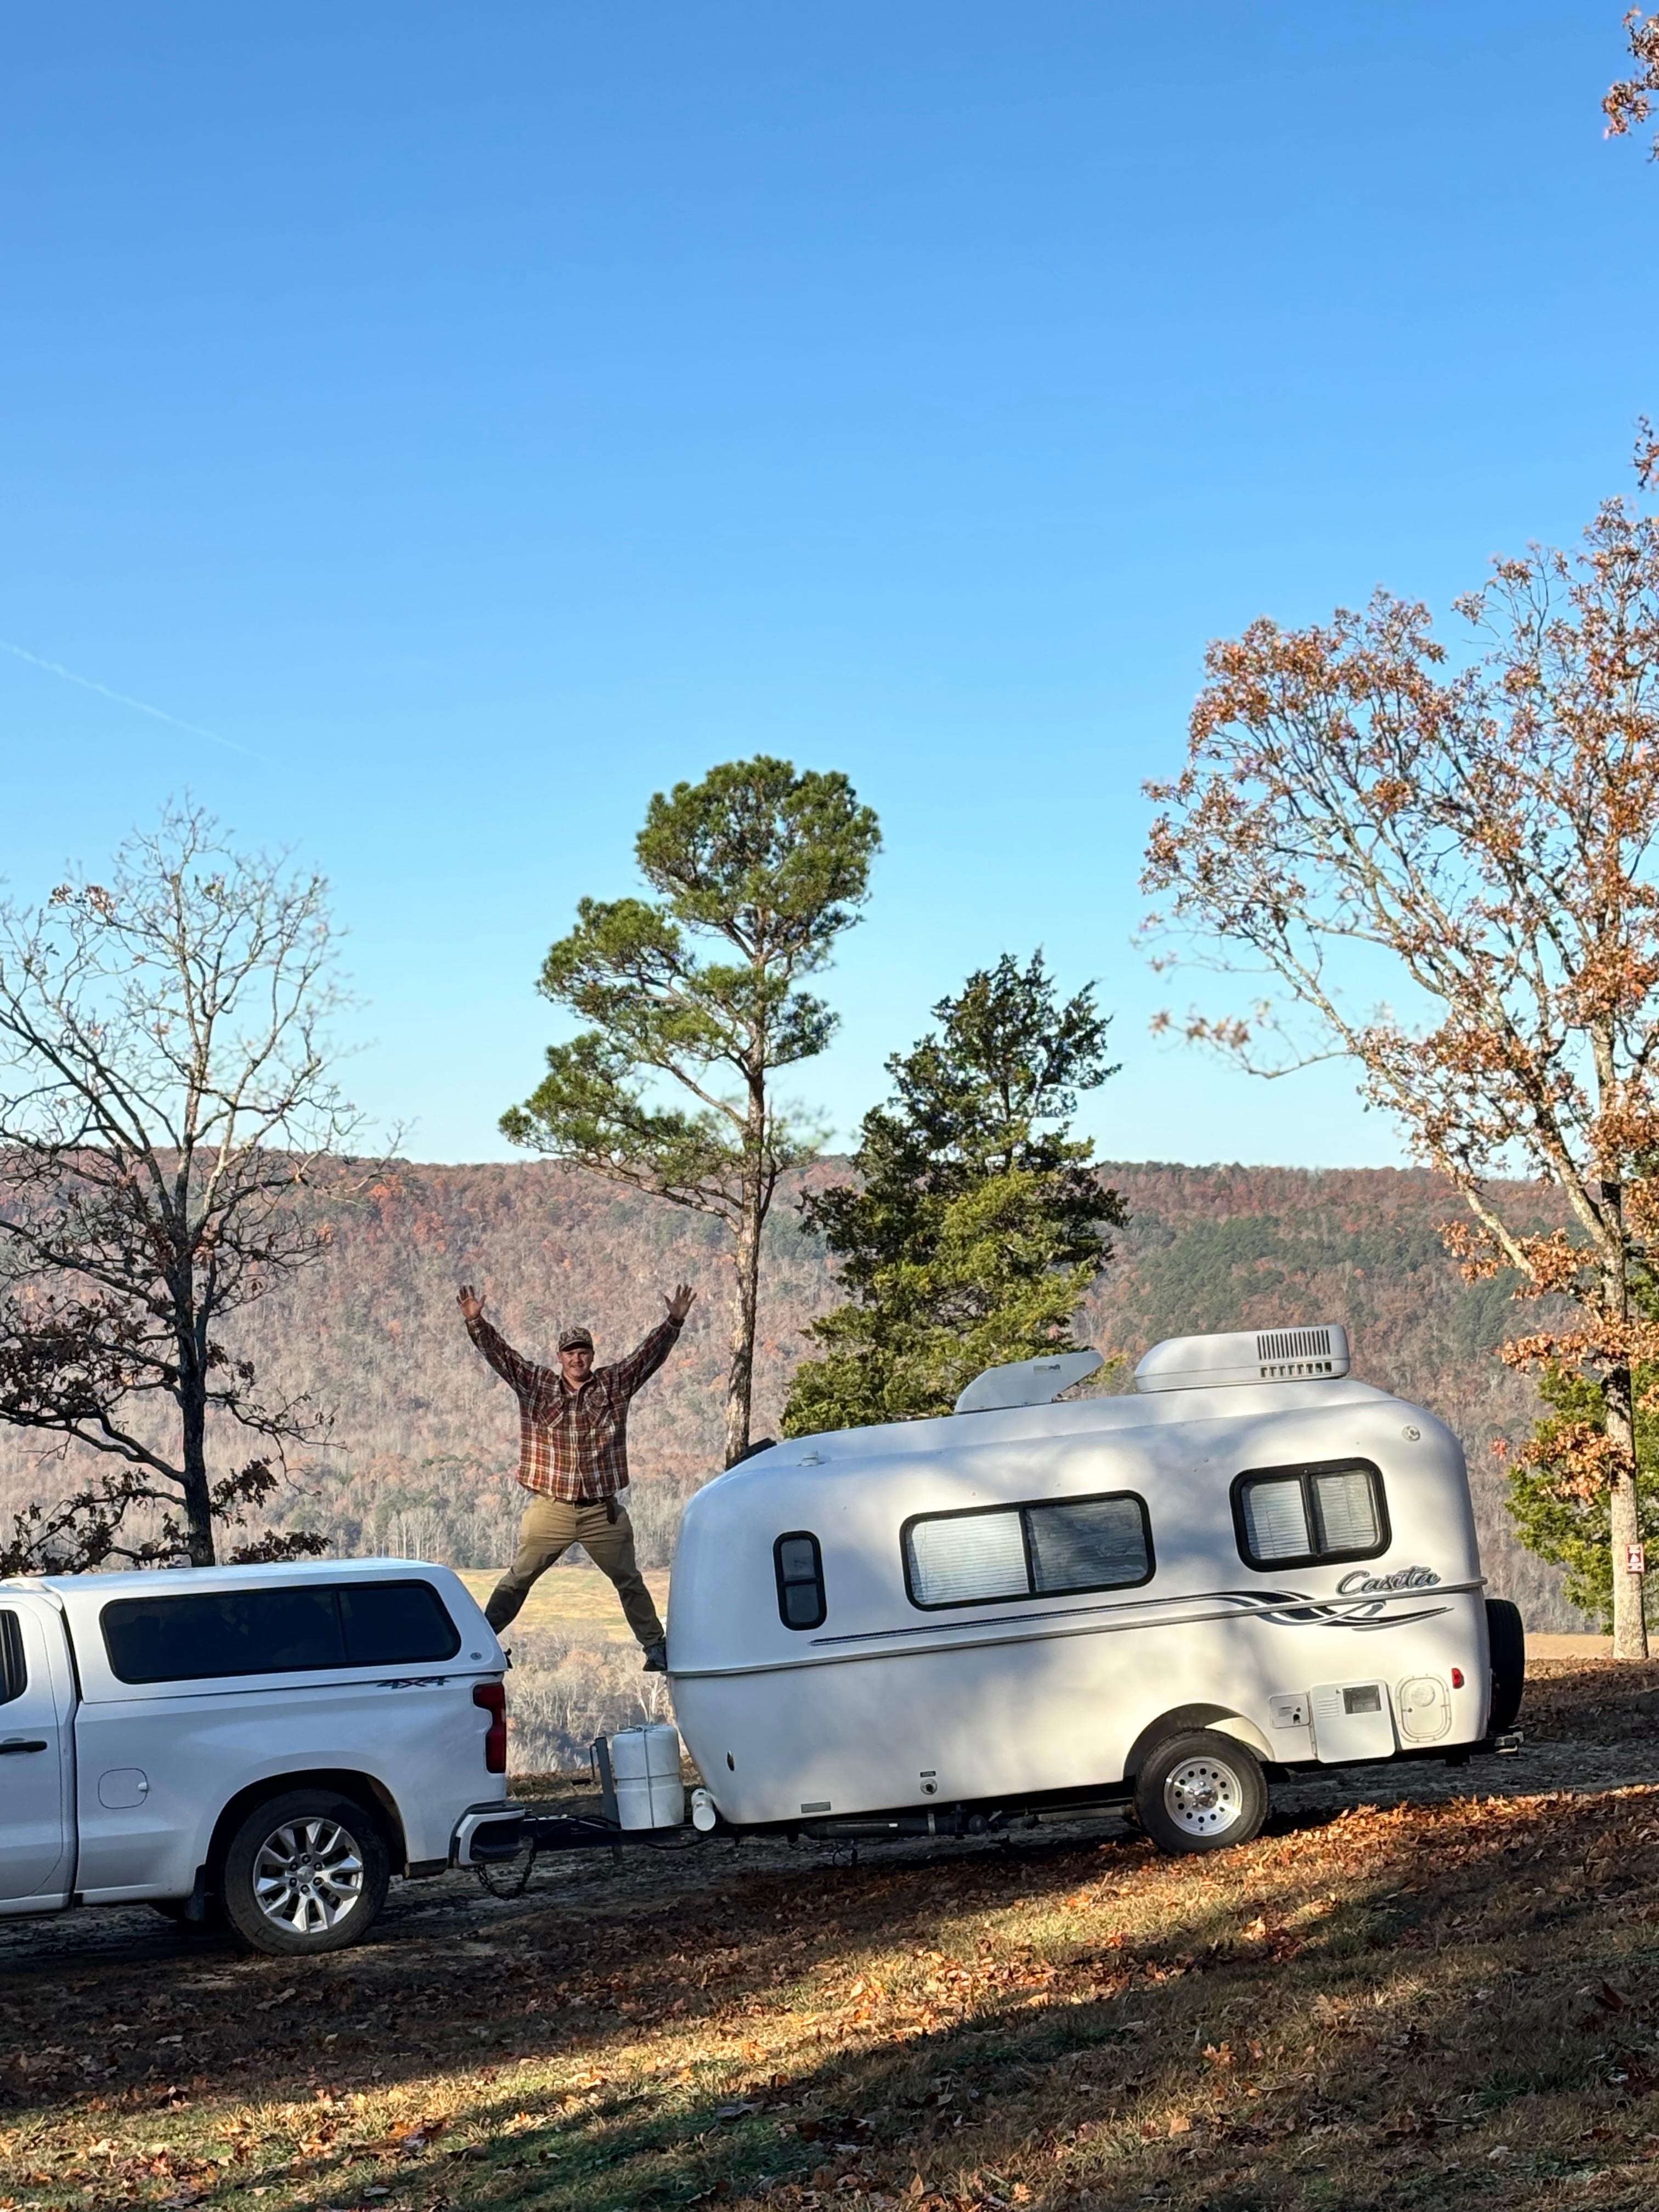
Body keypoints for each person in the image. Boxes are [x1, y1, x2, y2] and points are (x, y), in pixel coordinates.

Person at [456, 1280, 697, 1670]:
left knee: (629, 1581)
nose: (577, 1359)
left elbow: (647, 1358)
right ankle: (478, 1642)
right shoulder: (537, 1385)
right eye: (570, 1352)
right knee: (519, 1578)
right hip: (552, 1507)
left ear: (591, 1355)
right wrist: (476, 1323)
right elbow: (502, 1357)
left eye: (583, 1352)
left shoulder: (614, 1385)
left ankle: (655, 1647)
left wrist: (673, 1322)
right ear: (560, 1357)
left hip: (602, 1511)